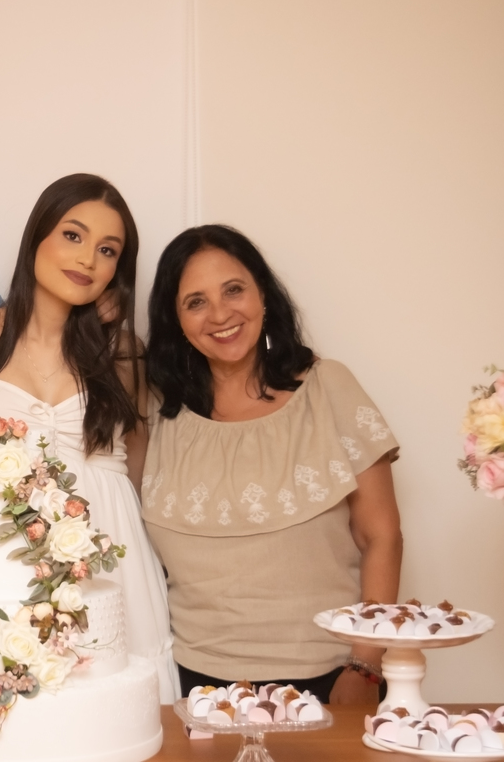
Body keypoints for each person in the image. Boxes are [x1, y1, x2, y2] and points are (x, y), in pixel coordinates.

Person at [141, 224, 403, 704]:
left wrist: (365, 665)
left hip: (331, 680)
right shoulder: (156, 412)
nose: (220, 314)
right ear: (175, 320)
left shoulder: (328, 388)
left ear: (263, 293)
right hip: (192, 689)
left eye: (233, 290)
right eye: (196, 302)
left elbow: (381, 536)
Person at [0, 173, 179, 703]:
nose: (88, 259)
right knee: (20, 710)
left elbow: (137, 472)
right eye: (73, 235)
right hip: (7, 560)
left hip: (110, 555)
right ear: (37, 236)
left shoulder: (125, 354)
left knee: (117, 705)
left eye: (108, 250)